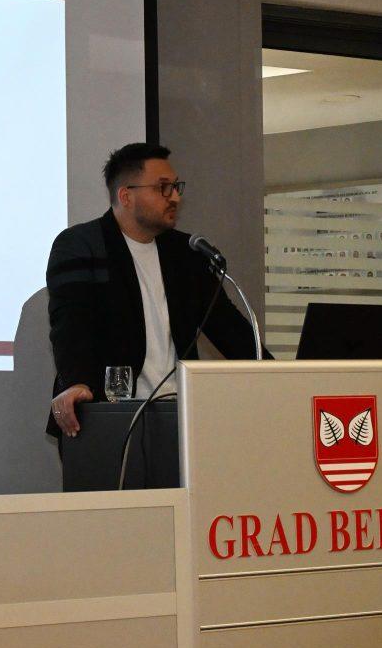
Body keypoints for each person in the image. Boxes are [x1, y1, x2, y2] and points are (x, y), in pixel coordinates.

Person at [46, 143, 263, 439]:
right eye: (163, 188)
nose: (175, 197)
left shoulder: (187, 253)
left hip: (180, 417)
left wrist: (279, 376)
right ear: (126, 196)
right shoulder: (81, 245)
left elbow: (228, 327)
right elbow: (70, 324)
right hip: (108, 415)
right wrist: (77, 382)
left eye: (176, 187)